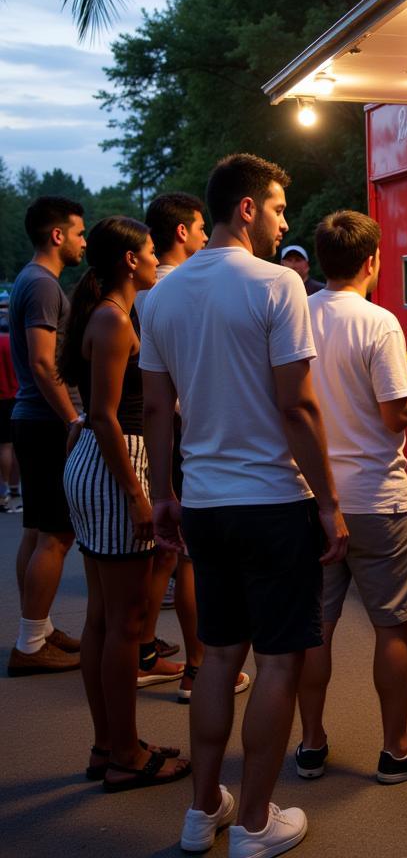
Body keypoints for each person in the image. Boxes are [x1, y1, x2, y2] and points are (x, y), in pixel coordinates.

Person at [141, 153, 348, 858]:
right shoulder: (277, 286)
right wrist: (328, 504)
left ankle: (203, 815)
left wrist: (164, 495)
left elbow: (155, 404)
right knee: (282, 662)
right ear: (249, 208)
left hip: (205, 503)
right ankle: (256, 823)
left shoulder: (159, 296)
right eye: (281, 206)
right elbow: (298, 406)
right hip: (272, 500)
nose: (288, 219)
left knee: (221, 659)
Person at [294, 210, 407, 785]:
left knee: (314, 627)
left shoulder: (294, 317)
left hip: (314, 499)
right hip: (378, 501)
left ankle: (311, 745)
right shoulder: (379, 323)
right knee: (393, 627)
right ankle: (396, 751)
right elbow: (398, 415)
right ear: (371, 262)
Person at [58, 216, 191, 791]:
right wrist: (141, 496)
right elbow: (109, 416)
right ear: (131, 262)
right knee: (128, 622)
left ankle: (107, 744)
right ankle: (126, 757)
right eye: (149, 253)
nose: (157, 260)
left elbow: (93, 412)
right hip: (118, 466)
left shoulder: (105, 313)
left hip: (95, 463)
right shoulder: (114, 320)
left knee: (102, 619)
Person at [134, 192, 231, 696]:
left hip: (162, 432)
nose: (203, 237)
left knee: (166, 556)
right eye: (198, 228)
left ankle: (146, 646)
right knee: (187, 558)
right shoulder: (175, 288)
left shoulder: (145, 291)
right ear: (181, 233)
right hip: (182, 433)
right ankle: (198, 665)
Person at [7, 196, 87, 676]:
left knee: (38, 530)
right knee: (56, 534)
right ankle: (31, 644)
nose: (83, 240)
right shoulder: (41, 284)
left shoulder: (33, 280)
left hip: (33, 418)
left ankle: (36, 629)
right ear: (57, 235)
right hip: (44, 420)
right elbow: (41, 361)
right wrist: (72, 420)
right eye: (79, 232)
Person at [0, 309, 23, 512]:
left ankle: (4, 488)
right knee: (10, 446)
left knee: (4, 446)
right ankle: (12, 487)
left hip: (2, 397)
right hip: (13, 397)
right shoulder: (12, 343)